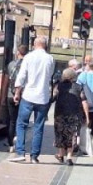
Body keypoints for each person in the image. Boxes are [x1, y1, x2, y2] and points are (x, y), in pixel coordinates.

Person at [9, 36, 55, 164]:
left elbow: (22, 76)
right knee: (38, 127)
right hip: (43, 97)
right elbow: (50, 75)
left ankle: (20, 152)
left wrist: (17, 93)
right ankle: (34, 156)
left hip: (28, 96)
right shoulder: (50, 59)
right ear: (45, 45)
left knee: (21, 124)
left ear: (34, 45)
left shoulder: (29, 57)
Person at [51, 69, 88, 165]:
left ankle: (60, 154)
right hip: (75, 114)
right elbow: (84, 101)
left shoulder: (59, 86)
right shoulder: (79, 87)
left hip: (60, 113)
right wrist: (87, 116)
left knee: (60, 133)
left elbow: (53, 97)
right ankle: (69, 157)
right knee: (72, 135)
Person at [5, 45, 28, 152]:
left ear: (18, 52)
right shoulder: (28, 65)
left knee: (12, 120)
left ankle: (10, 145)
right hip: (24, 95)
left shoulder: (11, 65)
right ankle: (19, 142)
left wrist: (3, 96)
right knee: (22, 121)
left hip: (10, 94)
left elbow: (6, 81)